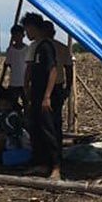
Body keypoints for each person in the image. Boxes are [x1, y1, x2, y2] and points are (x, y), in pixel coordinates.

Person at [21, 12, 63, 180]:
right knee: (36, 129)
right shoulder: (36, 47)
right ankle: (41, 163)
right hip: (37, 94)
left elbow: (53, 70)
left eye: (27, 30)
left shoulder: (46, 46)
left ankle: (56, 167)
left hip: (46, 96)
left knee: (48, 130)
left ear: (33, 28)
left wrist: (47, 96)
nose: (26, 34)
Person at [2, 24, 28, 105]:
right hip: (14, 82)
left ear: (23, 35)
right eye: (14, 35)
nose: (17, 37)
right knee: (13, 104)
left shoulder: (28, 49)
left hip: (25, 82)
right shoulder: (10, 50)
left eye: (18, 35)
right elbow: (8, 64)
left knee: (27, 103)